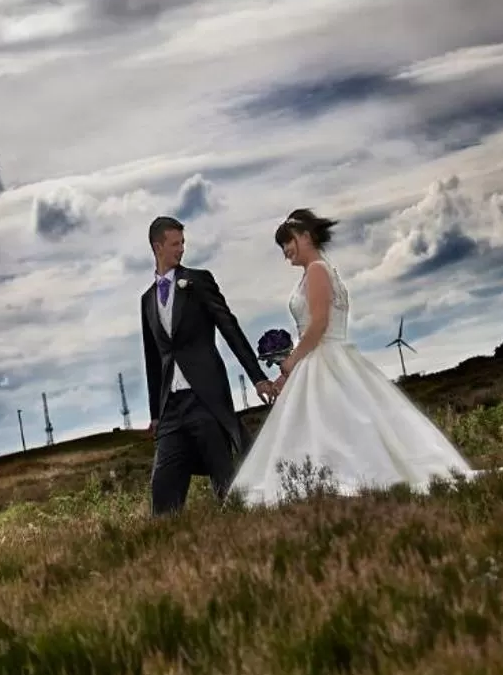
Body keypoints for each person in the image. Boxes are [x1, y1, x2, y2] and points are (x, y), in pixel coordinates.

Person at [230, 208, 477, 505]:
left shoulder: (317, 270)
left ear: (306, 236)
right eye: (282, 245)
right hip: (323, 357)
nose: (285, 250)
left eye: (288, 241)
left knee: (327, 425)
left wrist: (291, 361)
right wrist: (287, 373)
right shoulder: (319, 270)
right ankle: (330, 481)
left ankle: (339, 481)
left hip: (323, 358)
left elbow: (319, 324)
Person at [139, 215, 277, 515]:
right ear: (157, 247)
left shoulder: (199, 281)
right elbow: (153, 360)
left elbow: (230, 328)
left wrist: (257, 377)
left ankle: (247, 528)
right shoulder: (146, 300)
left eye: (183, 243)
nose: (181, 249)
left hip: (205, 399)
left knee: (226, 485)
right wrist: (155, 414)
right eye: (175, 244)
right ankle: (166, 538)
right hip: (170, 408)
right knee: (163, 493)